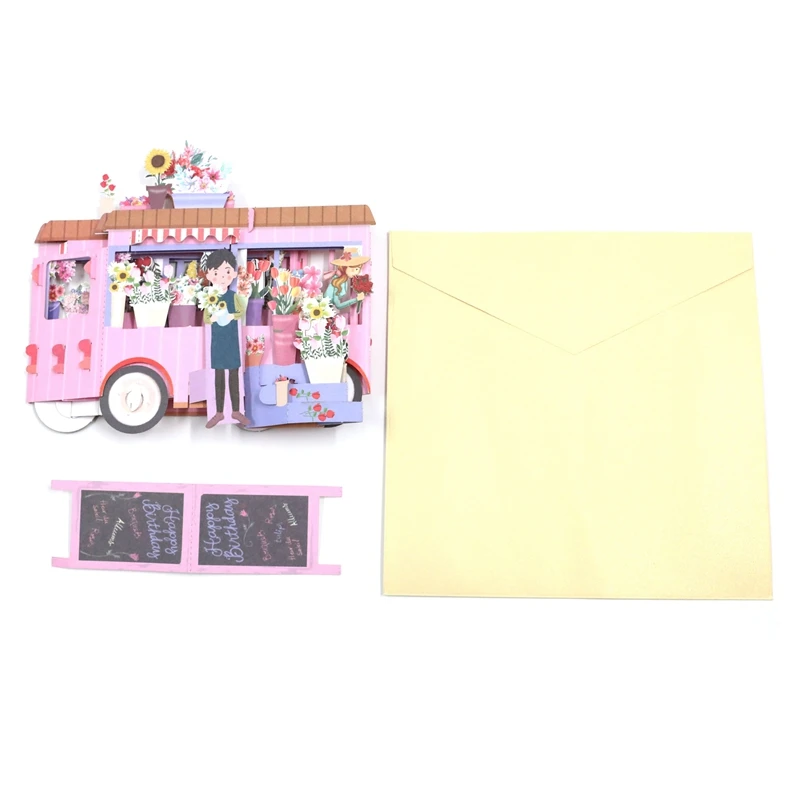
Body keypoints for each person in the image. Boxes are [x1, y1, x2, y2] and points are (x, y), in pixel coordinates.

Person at [200, 250, 251, 429]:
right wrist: (213, 317)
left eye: (227, 272)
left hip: (232, 340)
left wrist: (232, 316)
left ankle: (236, 411)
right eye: (216, 272)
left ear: (234, 274)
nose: (222, 277)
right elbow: (206, 318)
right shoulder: (210, 298)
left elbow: (240, 312)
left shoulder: (233, 296)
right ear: (209, 275)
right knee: (219, 376)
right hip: (217, 341)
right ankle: (219, 412)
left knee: (234, 375)